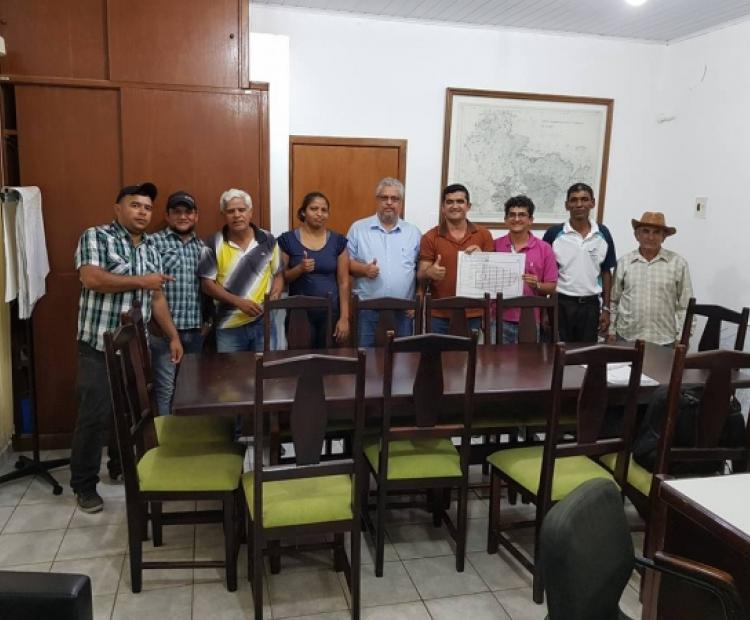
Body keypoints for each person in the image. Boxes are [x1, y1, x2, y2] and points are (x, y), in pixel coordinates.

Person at [71, 182, 183, 513]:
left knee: (133, 412)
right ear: (117, 209)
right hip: (98, 344)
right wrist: (142, 281)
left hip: (135, 348)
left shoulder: (151, 248)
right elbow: (92, 278)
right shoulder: (97, 236)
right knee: (95, 414)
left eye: (147, 208)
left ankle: (120, 466)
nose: (142, 212)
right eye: (135, 205)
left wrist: (173, 336)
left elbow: (156, 298)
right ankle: (84, 485)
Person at [198, 188, 283, 352]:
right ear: (223, 215)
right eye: (231, 211)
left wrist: (276, 294)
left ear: (250, 213)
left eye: (241, 210)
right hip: (228, 325)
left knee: (267, 367)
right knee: (232, 370)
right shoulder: (212, 244)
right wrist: (239, 302)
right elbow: (207, 285)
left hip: (264, 322)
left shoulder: (268, 240)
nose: (237, 215)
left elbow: (278, 274)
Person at [149, 191, 207, 415]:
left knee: (191, 389)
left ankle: (186, 433)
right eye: (177, 212)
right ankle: (166, 436)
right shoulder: (153, 243)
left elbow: (207, 286)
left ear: (196, 216)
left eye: (188, 212)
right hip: (163, 331)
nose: (183, 217)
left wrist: (207, 322)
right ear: (167, 215)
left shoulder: (202, 247)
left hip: (194, 330)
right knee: (166, 388)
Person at [347, 178, 421, 346]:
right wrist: (364, 269)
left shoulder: (413, 233)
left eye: (394, 198)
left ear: (401, 202)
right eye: (384, 198)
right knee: (366, 358)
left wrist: (417, 300)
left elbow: (420, 270)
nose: (389, 203)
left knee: (402, 359)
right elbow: (345, 265)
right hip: (367, 310)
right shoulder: (358, 229)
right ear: (377, 200)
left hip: (403, 311)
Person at [543, 182, 616, 343]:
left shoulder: (603, 233)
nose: (579, 204)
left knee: (586, 353)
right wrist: (544, 310)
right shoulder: (554, 234)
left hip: (591, 305)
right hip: (560, 303)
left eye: (584, 199)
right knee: (559, 352)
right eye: (574, 200)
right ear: (567, 205)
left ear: (592, 203)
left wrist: (606, 308)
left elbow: (606, 273)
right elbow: (545, 274)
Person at [608, 212, 693, 346]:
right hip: (627, 337)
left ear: (663, 237)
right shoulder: (624, 262)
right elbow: (614, 300)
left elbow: (686, 306)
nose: (650, 237)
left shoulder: (678, 263)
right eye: (645, 231)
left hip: (664, 340)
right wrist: (611, 331)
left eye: (656, 232)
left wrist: (682, 337)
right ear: (637, 235)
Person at [418, 183, 494, 334]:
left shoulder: (484, 234)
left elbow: (492, 276)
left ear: (468, 206)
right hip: (439, 314)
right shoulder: (430, 237)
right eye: (449, 202)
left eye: (460, 201)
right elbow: (420, 274)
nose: (455, 206)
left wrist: (483, 259)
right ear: (443, 207)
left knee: (472, 350)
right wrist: (429, 272)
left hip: (474, 312)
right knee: (439, 351)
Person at [278, 192, 350, 347]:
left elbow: (344, 282)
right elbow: (283, 278)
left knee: (329, 359)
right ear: (303, 212)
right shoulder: (287, 240)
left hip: (330, 313)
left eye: (324, 210)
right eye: (314, 209)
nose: (319, 213)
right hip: (299, 314)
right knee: (299, 359)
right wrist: (299, 269)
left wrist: (344, 318)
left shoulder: (338, 241)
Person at [494, 195, 558, 343]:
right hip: (498, 319)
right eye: (512, 215)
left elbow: (552, 286)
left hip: (530, 319)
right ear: (505, 219)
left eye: (522, 215)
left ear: (530, 220)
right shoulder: (494, 245)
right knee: (496, 358)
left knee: (528, 358)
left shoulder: (544, 249)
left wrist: (537, 285)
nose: (516, 219)